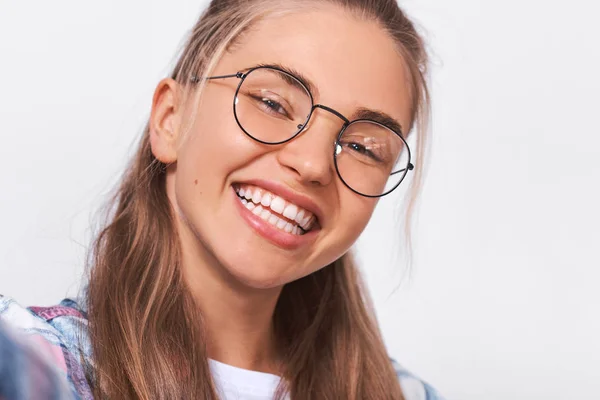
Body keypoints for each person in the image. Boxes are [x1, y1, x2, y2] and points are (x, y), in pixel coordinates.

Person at [0, 0, 445, 398]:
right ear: (170, 120)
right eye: (272, 103)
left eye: (365, 148)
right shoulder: (38, 365)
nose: (312, 165)